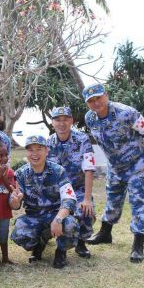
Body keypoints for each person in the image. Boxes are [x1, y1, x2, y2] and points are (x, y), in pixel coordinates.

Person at [83, 83, 144, 263]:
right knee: (112, 199)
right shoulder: (90, 119)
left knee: (138, 202)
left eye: (98, 97)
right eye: (91, 100)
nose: (96, 103)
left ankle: (138, 244)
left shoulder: (127, 112)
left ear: (106, 95)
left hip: (136, 165)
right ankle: (105, 234)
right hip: (115, 166)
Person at [9, 135, 79, 269]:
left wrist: (58, 219)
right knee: (20, 233)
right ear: (26, 153)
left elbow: (69, 199)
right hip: (34, 216)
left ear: (46, 151)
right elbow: (15, 204)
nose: (34, 154)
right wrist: (15, 201)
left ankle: (61, 251)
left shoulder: (58, 171)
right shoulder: (21, 174)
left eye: (39, 149)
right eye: (30, 150)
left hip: (55, 214)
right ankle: (39, 243)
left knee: (70, 225)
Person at [47, 106, 96, 259]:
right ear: (52, 123)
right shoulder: (48, 143)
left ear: (72, 121)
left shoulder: (83, 140)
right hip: (57, 190)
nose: (62, 123)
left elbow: (89, 169)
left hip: (78, 188)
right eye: (57, 120)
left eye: (65, 119)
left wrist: (87, 199)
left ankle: (81, 241)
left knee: (86, 212)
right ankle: (42, 240)